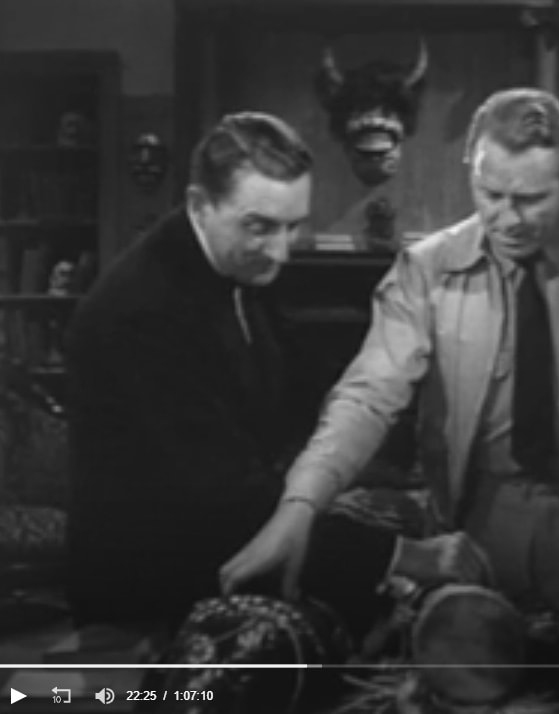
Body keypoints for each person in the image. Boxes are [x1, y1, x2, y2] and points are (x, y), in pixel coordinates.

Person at [221, 88, 559, 636]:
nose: (507, 218)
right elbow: (367, 398)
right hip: (475, 535)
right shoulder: (427, 270)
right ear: (471, 170)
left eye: (530, 199)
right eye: (490, 193)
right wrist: (300, 506)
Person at [66, 112, 400, 633]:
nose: (282, 251)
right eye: (261, 226)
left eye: (293, 226)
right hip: (145, 596)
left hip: (218, 547)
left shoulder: (236, 263)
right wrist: (394, 555)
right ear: (200, 204)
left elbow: (299, 392)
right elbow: (222, 497)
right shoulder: (141, 312)